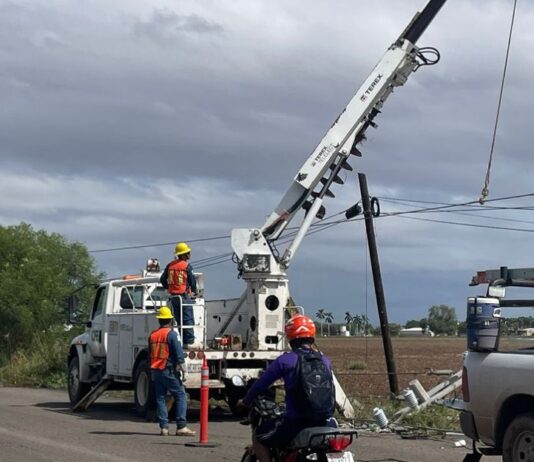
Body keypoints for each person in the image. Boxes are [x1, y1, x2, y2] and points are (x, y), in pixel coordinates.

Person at [238, 315, 336, 462]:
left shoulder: (286, 360)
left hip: (295, 424)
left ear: (290, 336)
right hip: (325, 421)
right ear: (312, 336)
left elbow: (261, 384)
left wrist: (245, 401)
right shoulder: (324, 359)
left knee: (259, 437)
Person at [149, 306, 196, 436]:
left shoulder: (153, 335)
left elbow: (150, 354)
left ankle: (164, 427)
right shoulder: (171, 334)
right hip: (168, 370)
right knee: (180, 395)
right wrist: (184, 371)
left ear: (159, 320)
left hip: (156, 370)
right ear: (170, 320)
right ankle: (181, 426)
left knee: (160, 397)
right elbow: (179, 354)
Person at [160, 242, 199, 349]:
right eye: (188, 252)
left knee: (179, 320)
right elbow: (192, 280)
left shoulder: (170, 265)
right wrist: (195, 290)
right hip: (183, 296)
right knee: (188, 319)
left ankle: (183, 341)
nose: (189, 254)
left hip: (174, 297)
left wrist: (169, 288)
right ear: (183, 254)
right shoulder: (186, 266)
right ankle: (189, 342)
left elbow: (162, 279)